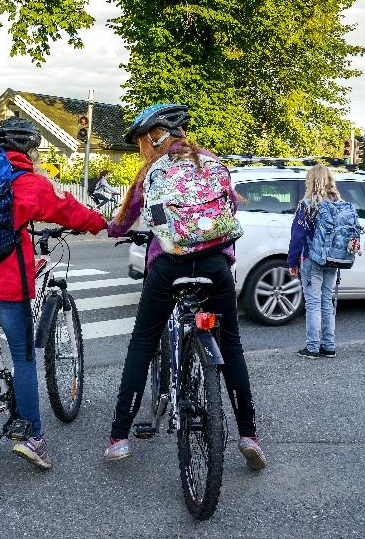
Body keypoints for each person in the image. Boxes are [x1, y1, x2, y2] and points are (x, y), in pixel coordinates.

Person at [104, 103, 267, 470]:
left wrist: (113, 229)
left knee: (143, 343)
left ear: (153, 137)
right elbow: (228, 214)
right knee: (232, 346)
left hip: (168, 265)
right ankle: (248, 435)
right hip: (215, 266)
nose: (140, 149)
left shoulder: (151, 171)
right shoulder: (213, 164)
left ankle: (119, 437)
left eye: (141, 141)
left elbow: (127, 218)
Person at [0, 117, 107, 467]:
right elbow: (69, 211)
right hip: (5, 285)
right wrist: (100, 222)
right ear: (29, 149)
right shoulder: (28, 182)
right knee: (22, 357)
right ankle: (33, 437)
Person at [288, 164, 344, 359]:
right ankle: (329, 346)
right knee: (327, 302)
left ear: (311, 181)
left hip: (311, 260)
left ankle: (312, 347)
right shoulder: (338, 205)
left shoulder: (307, 205)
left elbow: (297, 237)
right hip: (332, 260)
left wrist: (292, 262)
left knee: (313, 303)